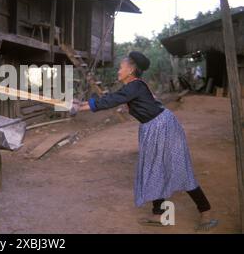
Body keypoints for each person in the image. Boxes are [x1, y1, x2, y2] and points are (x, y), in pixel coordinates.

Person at [73, 51, 218, 231]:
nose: (118, 70)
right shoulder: (133, 87)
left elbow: (111, 100)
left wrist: (81, 108)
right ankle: (159, 215)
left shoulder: (134, 86)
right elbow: (111, 99)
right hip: (153, 128)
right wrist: (81, 105)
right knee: (156, 168)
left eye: (121, 67)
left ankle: (206, 212)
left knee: (179, 169)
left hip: (163, 127)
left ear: (131, 69)